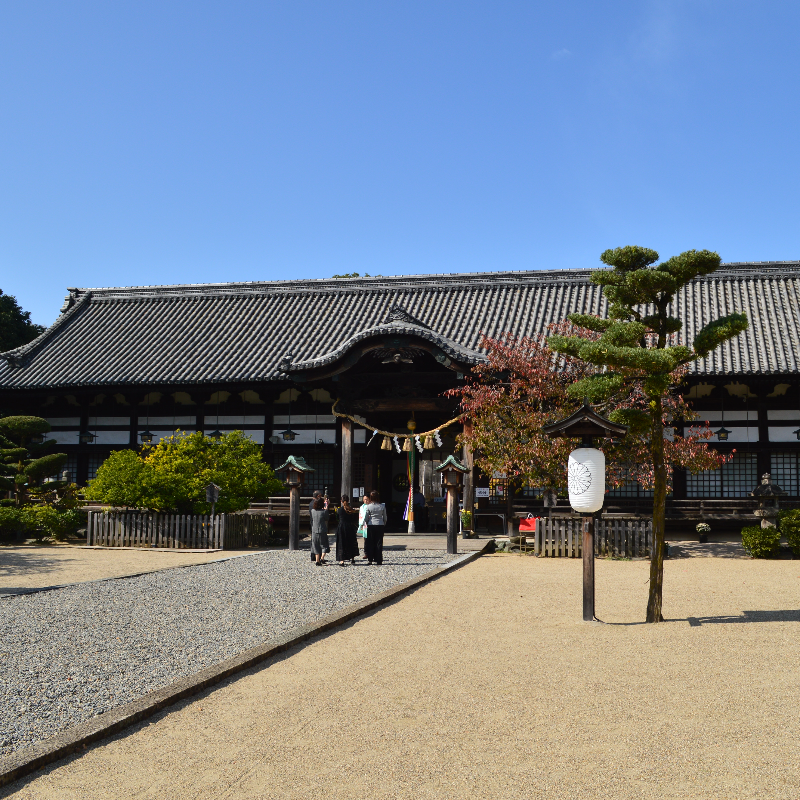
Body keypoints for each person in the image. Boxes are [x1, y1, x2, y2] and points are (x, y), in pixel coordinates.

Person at [363, 490, 387, 565]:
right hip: (380, 524)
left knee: (371, 542)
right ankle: (379, 559)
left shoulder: (368, 506)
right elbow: (385, 517)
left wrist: (366, 522)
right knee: (379, 542)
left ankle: (370, 559)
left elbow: (366, 517)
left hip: (371, 524)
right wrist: (383, 523)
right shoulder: (382, 506)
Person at [336, 495, 360, 565]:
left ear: (341, 501)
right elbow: (353, 519)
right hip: (350, 527)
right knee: (351, 542)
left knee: (342, 543)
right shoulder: (351, 510)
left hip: (341, 527)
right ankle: (352, 558)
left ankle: (342, 560)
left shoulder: (339, 510)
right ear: (348, 501)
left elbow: (337, 518)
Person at [310, 496, 330, 566]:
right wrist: (326, 507)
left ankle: (317, 560)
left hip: (314, 530)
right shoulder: (324, 512)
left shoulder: (312, 511)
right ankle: (322, 558)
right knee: (324, 545)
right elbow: (327, 518)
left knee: (315, 545)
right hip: (322, 530)